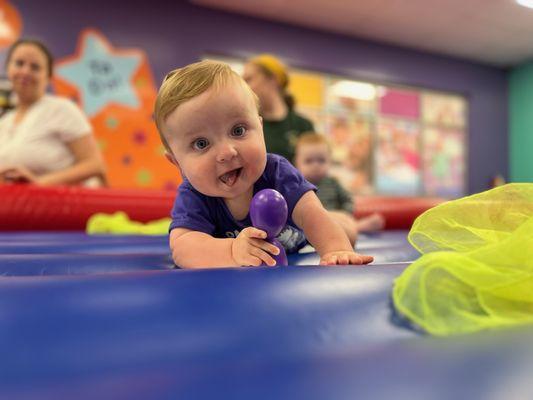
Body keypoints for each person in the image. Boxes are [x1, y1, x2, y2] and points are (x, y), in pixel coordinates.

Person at [154, 60, 374, 268]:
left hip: (300, 238)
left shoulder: (277, 172)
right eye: (201, 144)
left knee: (344, 231)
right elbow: (183, 247)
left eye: (238, 130)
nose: (227, 152)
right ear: (177, 162)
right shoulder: (193, 194)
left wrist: (336, 250)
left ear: (259, 128)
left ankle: (347, 221)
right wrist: (232, 251)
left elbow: (311, 215)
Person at [0, 39, 106, 186]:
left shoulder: (62, 109)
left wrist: (39, 183)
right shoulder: (4, 123)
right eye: (19, 63)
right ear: (8, 69)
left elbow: (95, 165)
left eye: (35, 67)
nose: (25, 71)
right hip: (19, 208)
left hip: (63, 207)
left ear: (48, 77)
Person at [294, 133, 385, 245]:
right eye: (309, 161)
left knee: (340, 222)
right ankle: (358, 227)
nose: (315, 165)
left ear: (330, 161)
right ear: (297, 163)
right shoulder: (296, 186)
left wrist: (345, 213)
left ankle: (354, 226)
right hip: (308, 227)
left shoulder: (333, 183)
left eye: (321, 160)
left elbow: (348, 199)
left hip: (334, 220)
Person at [243, 54, 313, 163]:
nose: (244, 86)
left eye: (249, 79)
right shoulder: (247, 125)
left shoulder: (303, 126)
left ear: (273, 79)